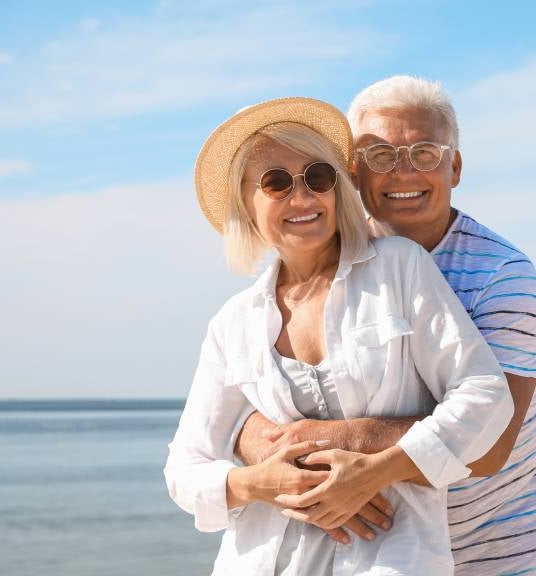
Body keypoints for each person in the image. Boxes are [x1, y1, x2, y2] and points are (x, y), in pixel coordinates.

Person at [164, 96, 514, 576]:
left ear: (338, 189)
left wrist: (378, 470)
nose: (302, 197)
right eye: (276, 183)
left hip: (392, 557)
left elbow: (486, 396)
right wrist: (258, 484)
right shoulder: (233, 322)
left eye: (318, 177)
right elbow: (185, 468)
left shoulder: (400, 267)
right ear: (246, 202)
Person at [236, 76, 536, 575]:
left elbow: (492, 443)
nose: (403, 172)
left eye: (425, 153)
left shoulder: (502, 275)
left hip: (501, 557)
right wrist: (305, 474)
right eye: (380, 156)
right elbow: (243, 409)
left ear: (454, 166)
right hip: (382, 552)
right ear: (353, 171)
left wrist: (349, 452)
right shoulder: (323, 263)